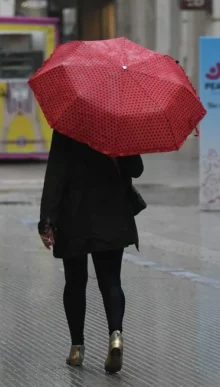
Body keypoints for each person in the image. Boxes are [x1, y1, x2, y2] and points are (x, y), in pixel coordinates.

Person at [38, 130, 143, 374]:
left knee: (75, 282)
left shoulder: (68, 123)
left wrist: (46, 221)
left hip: (74, 215)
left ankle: (77, 349)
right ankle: (115, 337)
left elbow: (56, 173)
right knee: (111, 281)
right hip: (111, 213)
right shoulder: (118, 122)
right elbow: (136, 168)